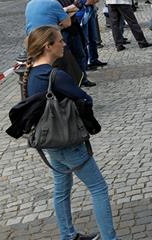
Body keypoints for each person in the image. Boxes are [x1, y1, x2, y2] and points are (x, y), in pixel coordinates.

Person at [22, 26, 119, 240]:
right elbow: (85, 99)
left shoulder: (31, 74)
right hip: (67, 142)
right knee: (99, 188)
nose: (64, 44)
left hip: (50, 142)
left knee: (61, 189)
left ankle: (68, 235)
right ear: (48, 46)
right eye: (59, 41)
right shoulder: (56, 75)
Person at [70, 0, 106, 71]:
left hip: (92, 13)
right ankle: (86, 62)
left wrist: (92, 0)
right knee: (85, 39)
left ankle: (94, 59)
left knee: (93, 37)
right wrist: (90, 0)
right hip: (83, 16)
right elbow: (83, 1)